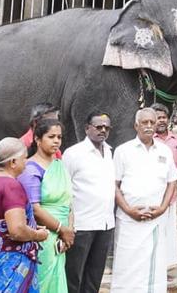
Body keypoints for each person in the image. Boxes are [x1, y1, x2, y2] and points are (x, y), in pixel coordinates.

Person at [110, 107, 177, 292]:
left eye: (152, 122)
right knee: (126, 266)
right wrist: (128, 210)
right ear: (136, 126)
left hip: (156, 220)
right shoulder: (123, 151)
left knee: (154, 267)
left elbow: (172, 182)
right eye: (144, 122)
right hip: (129, 221)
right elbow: (114, 184)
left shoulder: (164, 151)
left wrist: (162, 208)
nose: (149, 126)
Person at [0, 137, 49, 293]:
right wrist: (37, 234)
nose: (26, 163)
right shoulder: (11, 186)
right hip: (9, 262)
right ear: (13, 162)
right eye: (24, 158)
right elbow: (17, 230)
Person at [62, 112, 116, 293]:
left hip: (105, 224)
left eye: (107, 127)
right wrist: (67, 225)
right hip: (81, 225)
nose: (103, 130)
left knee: (94, 276)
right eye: (98, 127)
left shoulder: (109, 152)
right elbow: (65, 190)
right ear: (87, 128)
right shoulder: (73, 154)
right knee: (74, 276)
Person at [18, 118, 74, 293]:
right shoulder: (30, 169)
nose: (56, 141)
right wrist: (61, 229)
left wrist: (69, 231)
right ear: (37, 139)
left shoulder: (60, 165)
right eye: (51, 137)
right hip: (42, 235)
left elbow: (68, 202)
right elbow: (34, 209)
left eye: (59, 137)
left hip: (62, 237)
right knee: (42, 282)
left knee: (57, 281)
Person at [151, 102, 177, 269]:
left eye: (164, 117)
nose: (161, 121)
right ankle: (152, 266)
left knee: (168, 233)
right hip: (152, 196)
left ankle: (166, 268)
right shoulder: (149, 141)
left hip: (170, 197)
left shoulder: (176, 141)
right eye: (157, 118)